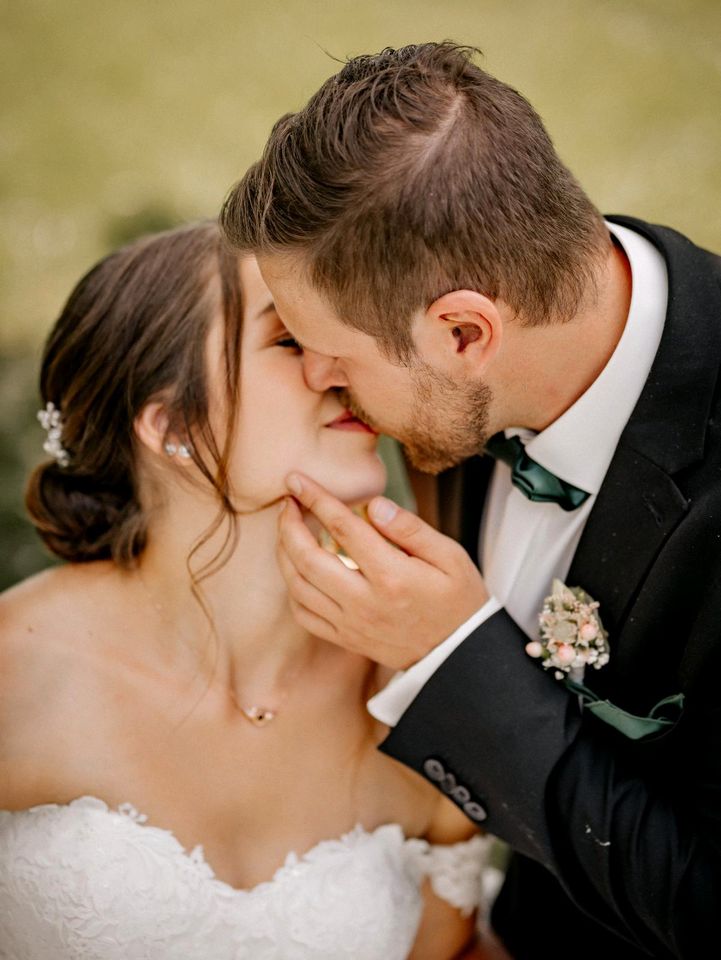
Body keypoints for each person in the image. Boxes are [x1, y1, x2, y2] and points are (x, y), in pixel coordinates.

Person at [219, 42, 721, 959]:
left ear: (461, 331)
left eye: (330, 350)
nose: (318, 381)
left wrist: (451, 659)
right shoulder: (472, 379)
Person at [0, 220, 508, 959]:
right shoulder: (18, 674)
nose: (342, 366)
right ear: (173, 425)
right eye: (289, 341)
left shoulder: (414, 696)